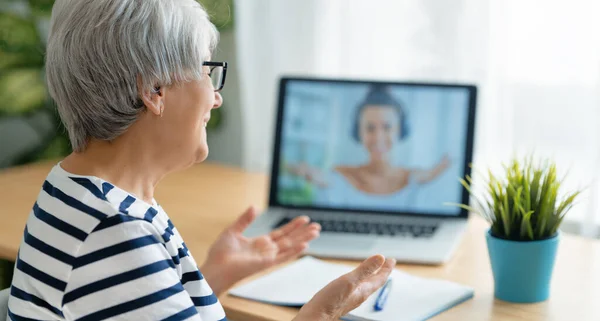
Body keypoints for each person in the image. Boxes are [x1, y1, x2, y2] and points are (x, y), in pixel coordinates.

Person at [6, 1, 395, 320]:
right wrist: (322, 313)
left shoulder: (80, 192)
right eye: (207, 71)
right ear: (153, 89)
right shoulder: (114, 231)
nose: (215, 97)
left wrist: (214, 275)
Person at [286, 86, 451, 208]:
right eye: (370, 128)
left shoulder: (418, 180)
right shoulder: (338, 178)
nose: (378, 138)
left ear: (399, 130)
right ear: (359, 132)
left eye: (387, 127)